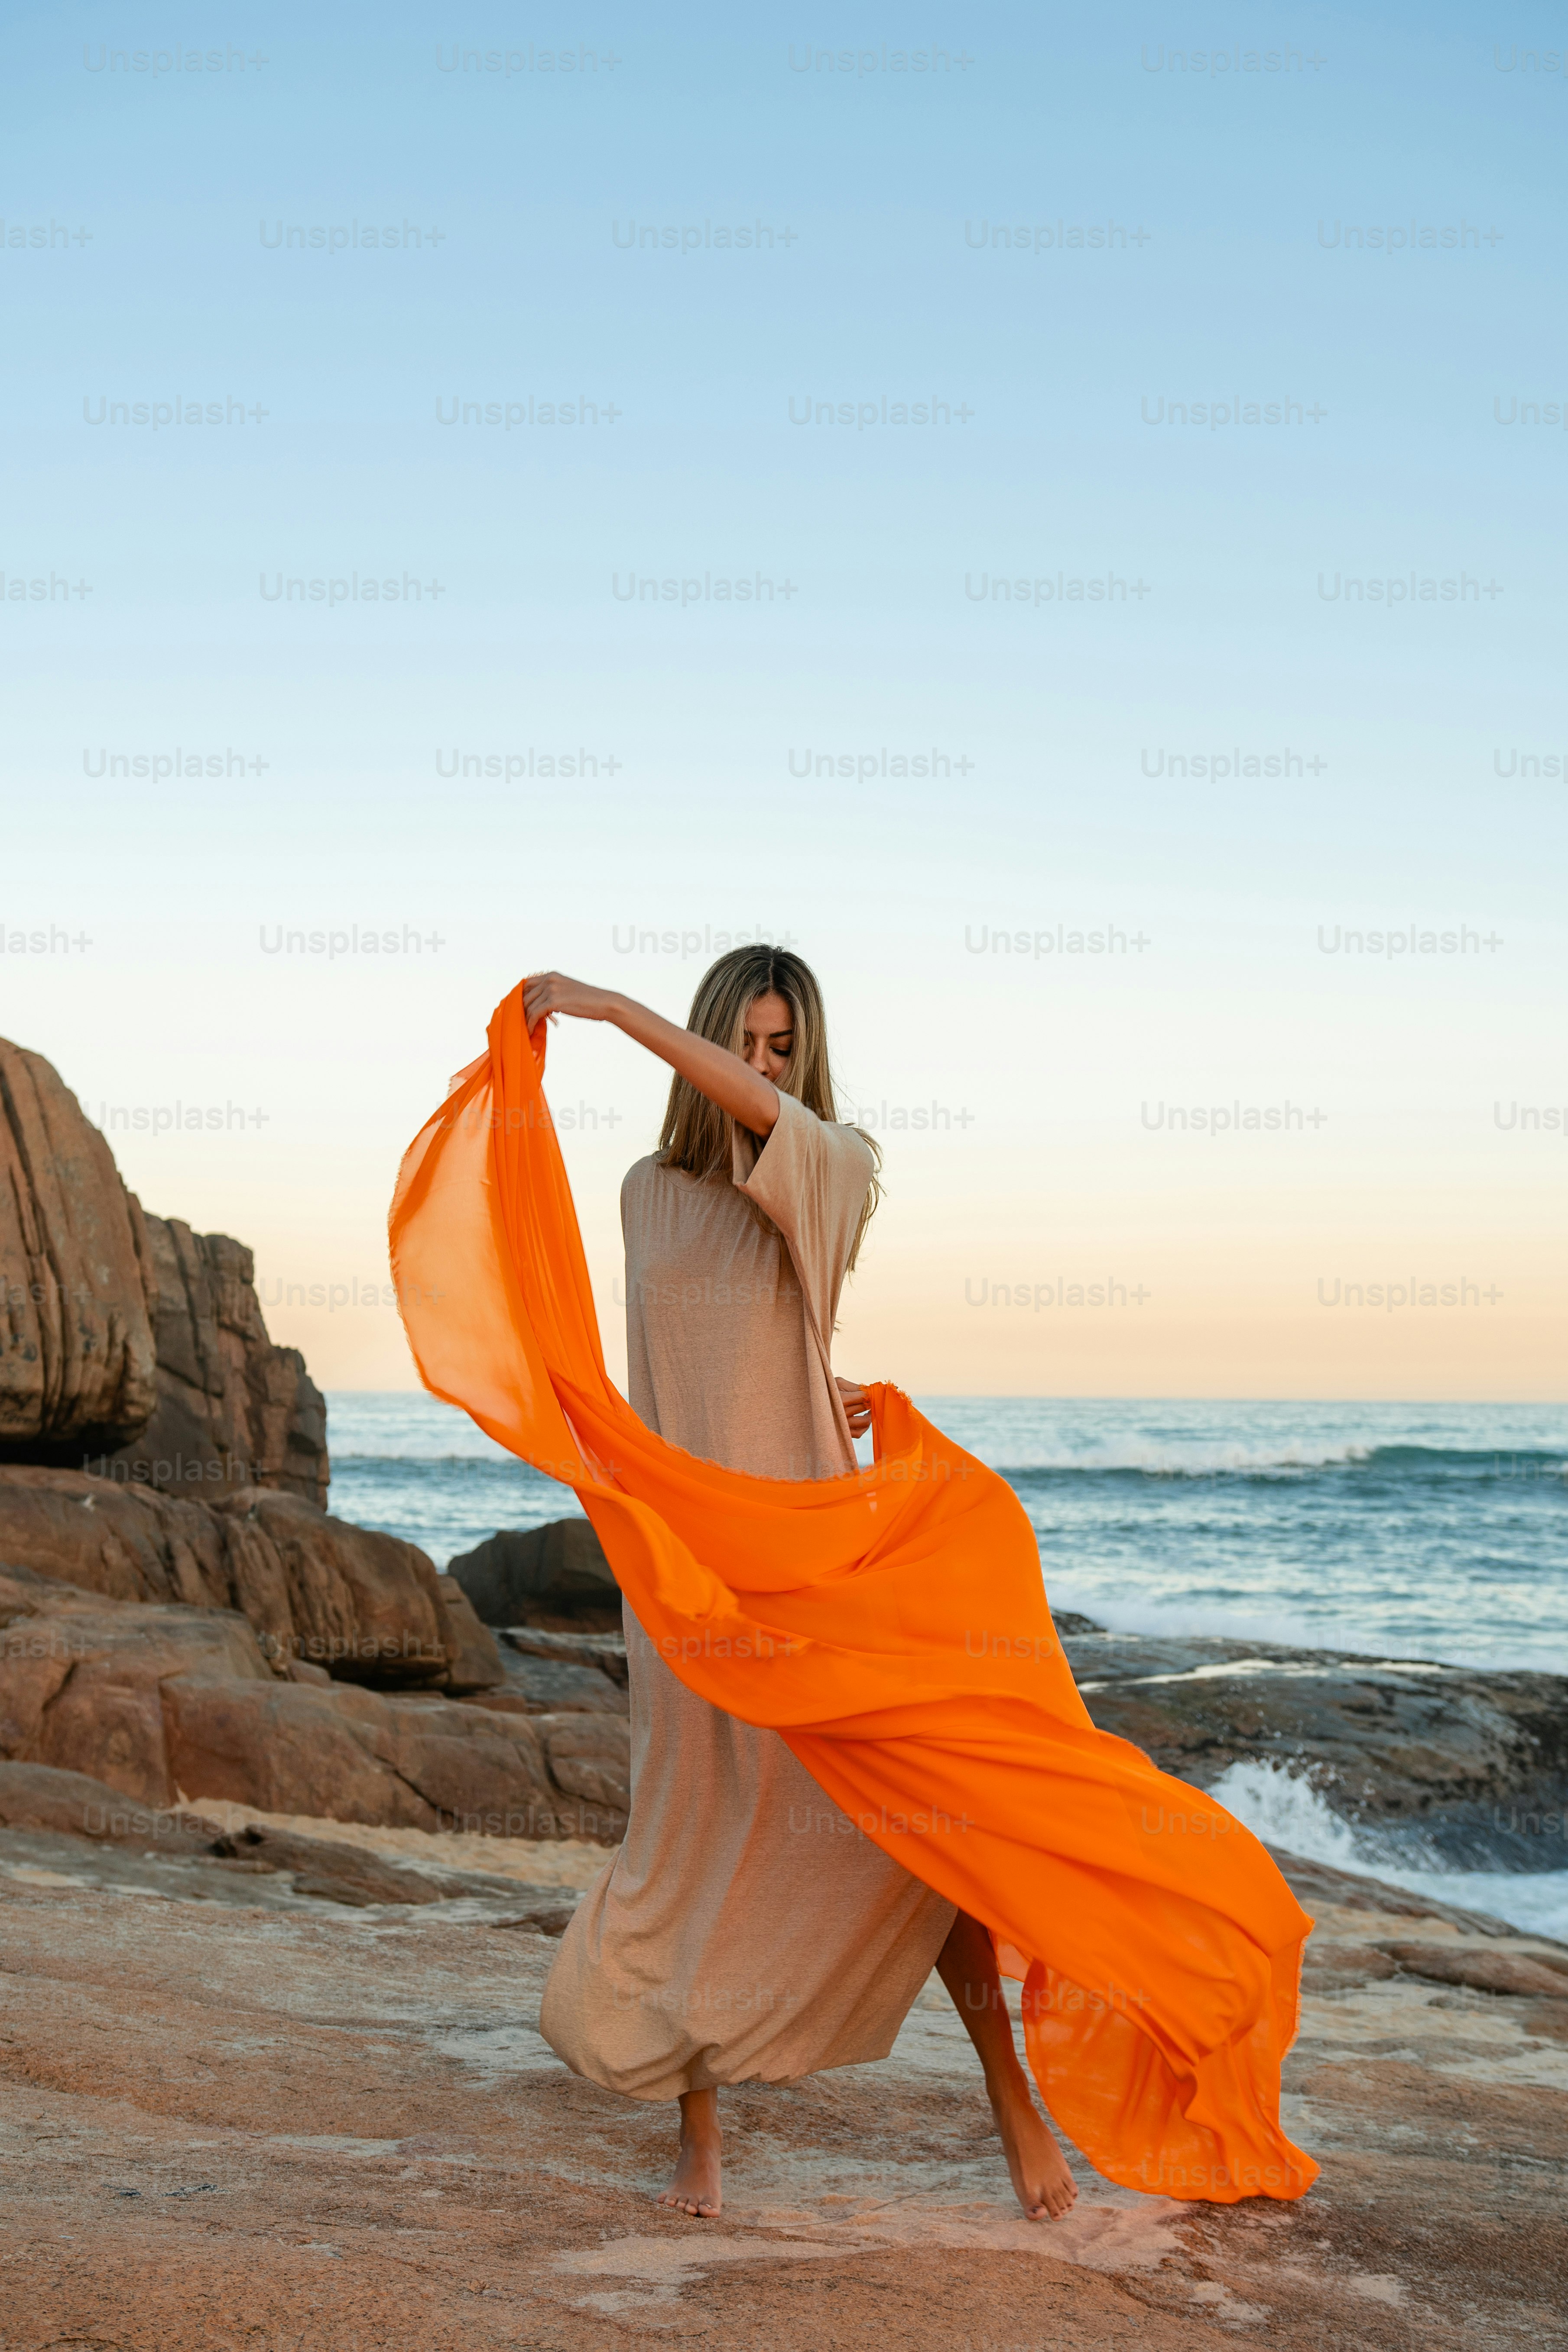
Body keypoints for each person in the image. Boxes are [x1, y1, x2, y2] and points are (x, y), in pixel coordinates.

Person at [524, 947, 1078, 2224]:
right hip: (687, 1571)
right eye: (748, 1042)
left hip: (818, 1555)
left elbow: (772, 1137)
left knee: (910, 1831)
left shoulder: (834, 1161)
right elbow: (665, 1368)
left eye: (783, 1050)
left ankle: (1013, 2105)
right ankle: (702, 2142)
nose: (761, 1069)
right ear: (718, 1033)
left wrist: (611, 1011)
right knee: (686, 1835)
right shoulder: (645, 1193)